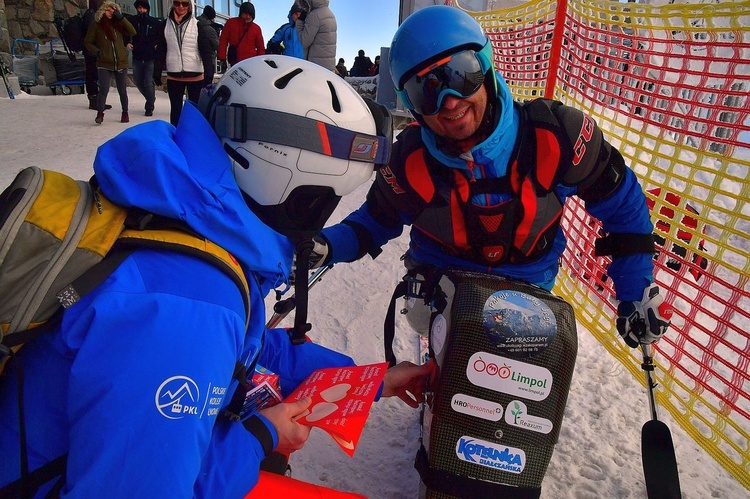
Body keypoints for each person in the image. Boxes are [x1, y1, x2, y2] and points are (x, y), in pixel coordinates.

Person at [0, 56, 431, 497]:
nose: (319, 216)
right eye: (324, 200)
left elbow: (252, 350)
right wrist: (263, 436)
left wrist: (372, 380)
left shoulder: (173, 211)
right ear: (291, 187)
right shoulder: (188, 308)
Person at [156, 0, 210, 125]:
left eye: (185, 3)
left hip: (195, 75)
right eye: (177, 3)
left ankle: (194, 138)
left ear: (190, 6)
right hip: (174, 75)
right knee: (176, 111)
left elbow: (206, 51)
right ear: (172, 4)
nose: (181, 6)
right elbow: (161, 50)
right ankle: (176, 139)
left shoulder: (197, 25)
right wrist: (157, 70)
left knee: (195, 111)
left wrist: (208, 73)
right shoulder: (165, 25)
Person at [83, 1, 136, 124]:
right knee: (104, 89)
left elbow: (132, 31)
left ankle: (125, 112)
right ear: (103, 11)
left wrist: (121, 17)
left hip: (120, 61)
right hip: (104, 62)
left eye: (114, 10)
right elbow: (88, 42)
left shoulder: (119, 24)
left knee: (122, 89)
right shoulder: (96, 25)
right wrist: (97, 52)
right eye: (108, 10)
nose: (111, 13)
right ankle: (100, 113)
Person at [126, 0, 160, 117]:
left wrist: (157, 45)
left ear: (147, 8)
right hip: (137, 56)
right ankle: (150, 98)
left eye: (143, 8)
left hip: (150, 56)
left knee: (148, 81)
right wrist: (127, 43)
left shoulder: (154, 22)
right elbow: (125, 32)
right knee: (138, 81)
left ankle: (149, 107)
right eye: (139, 8)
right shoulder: (133, 21)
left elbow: (160, 36)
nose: (141, 10)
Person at [82, 0, 111, 110]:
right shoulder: (92, 16)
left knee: (93, 74)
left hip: (92, 51)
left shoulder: (90, 14)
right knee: (92, 75)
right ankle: (94, 99)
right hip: (92, 51)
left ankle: (97, 100)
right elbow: (92, 35)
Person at [217, 2, 264, 68]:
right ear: (241, 13)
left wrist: (260, 63)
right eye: (245, 14)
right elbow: (223, 41)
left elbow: (261, 48)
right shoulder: (231, 23)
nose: (247, 16)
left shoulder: (256, 28)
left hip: (250, 63)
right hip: (235, 61)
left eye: (250, 14)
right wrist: (222, 58)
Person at [295, 0, 337, 72]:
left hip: (315, 66)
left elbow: (304, 41)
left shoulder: (314, 15)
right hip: (327, 66)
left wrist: (299, 22)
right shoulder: (330, 14)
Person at [197, 5, 220, 87]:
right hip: (208, 61)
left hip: (194, 63)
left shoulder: (194, 23)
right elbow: (218, 46)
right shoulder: (209, 29)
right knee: (206, 87)